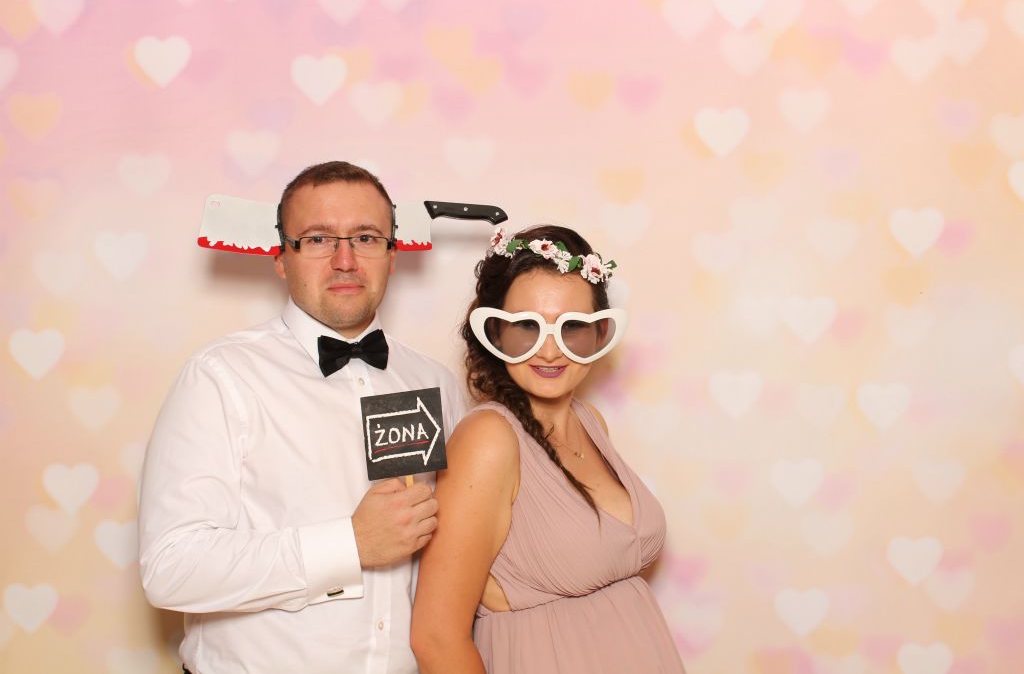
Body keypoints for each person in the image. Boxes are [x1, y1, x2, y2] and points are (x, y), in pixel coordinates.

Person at [138, 161, 465, 674]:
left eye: (366, 238)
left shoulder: (436, 383)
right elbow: (171, 568)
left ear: (392, 254)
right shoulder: (220, 378)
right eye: (317, 239)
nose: (344, 260)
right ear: (281, 258)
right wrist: (349, 544)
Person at [410, 225, 686, 673]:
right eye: (527, 327)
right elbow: (436, 639)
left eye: (572, 327)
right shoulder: (488, 440)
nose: (551, 351)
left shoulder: (590, 421)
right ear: (495, 332)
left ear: (599, 333)